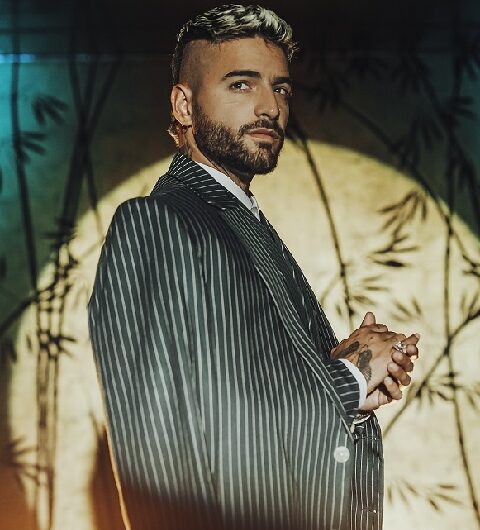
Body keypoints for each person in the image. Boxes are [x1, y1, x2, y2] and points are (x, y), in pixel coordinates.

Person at [88, 5, 419, 530]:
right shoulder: (156, 223)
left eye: (280, 88)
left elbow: (246, 417)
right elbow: (179, 455)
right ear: (184, 105)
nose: (269, 106)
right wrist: (350, 378)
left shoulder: (246, 227)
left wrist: (350, 396)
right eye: (241, 84)